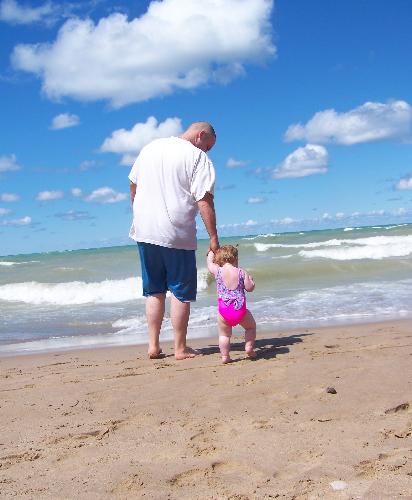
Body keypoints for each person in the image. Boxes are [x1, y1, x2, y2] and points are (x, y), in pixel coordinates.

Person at [129, 121, 219, 360]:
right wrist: (213, 237)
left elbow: (133, 184)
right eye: (208, 146)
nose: (207, 151)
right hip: (176, 232)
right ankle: (180, 348)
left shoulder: (150, 148)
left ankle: (153, 345)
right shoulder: (197, 158)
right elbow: (204, 200)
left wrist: (140, 214)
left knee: (154, 290)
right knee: (180, 292)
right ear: (200, 136)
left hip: (144, 230)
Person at [207, 245, 257, 363]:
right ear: (235, 258)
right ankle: (249, 347)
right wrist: (251, 281)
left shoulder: (217, 270)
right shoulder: (241, 272)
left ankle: (225, 356)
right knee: (250, 327)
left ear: (219, 259)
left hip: (224, 311)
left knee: (224, 335)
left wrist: (210, 253)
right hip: (240, 310)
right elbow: (249, 288)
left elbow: (209, 264)